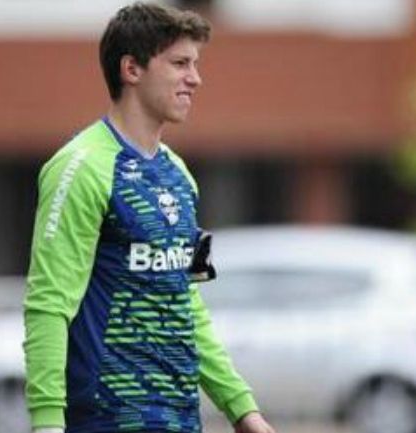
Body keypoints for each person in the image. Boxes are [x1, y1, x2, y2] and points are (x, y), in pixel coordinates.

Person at [22, 3, 276, 433]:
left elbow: (187, 301)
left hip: (180, 418)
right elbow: (48, 304)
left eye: (194, 65)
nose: (195, 78)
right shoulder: (81, 167)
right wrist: (47, 424)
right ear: (132, 69)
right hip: (108, 418)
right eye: (179, 64)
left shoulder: (179, 175)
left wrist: (241, 407)